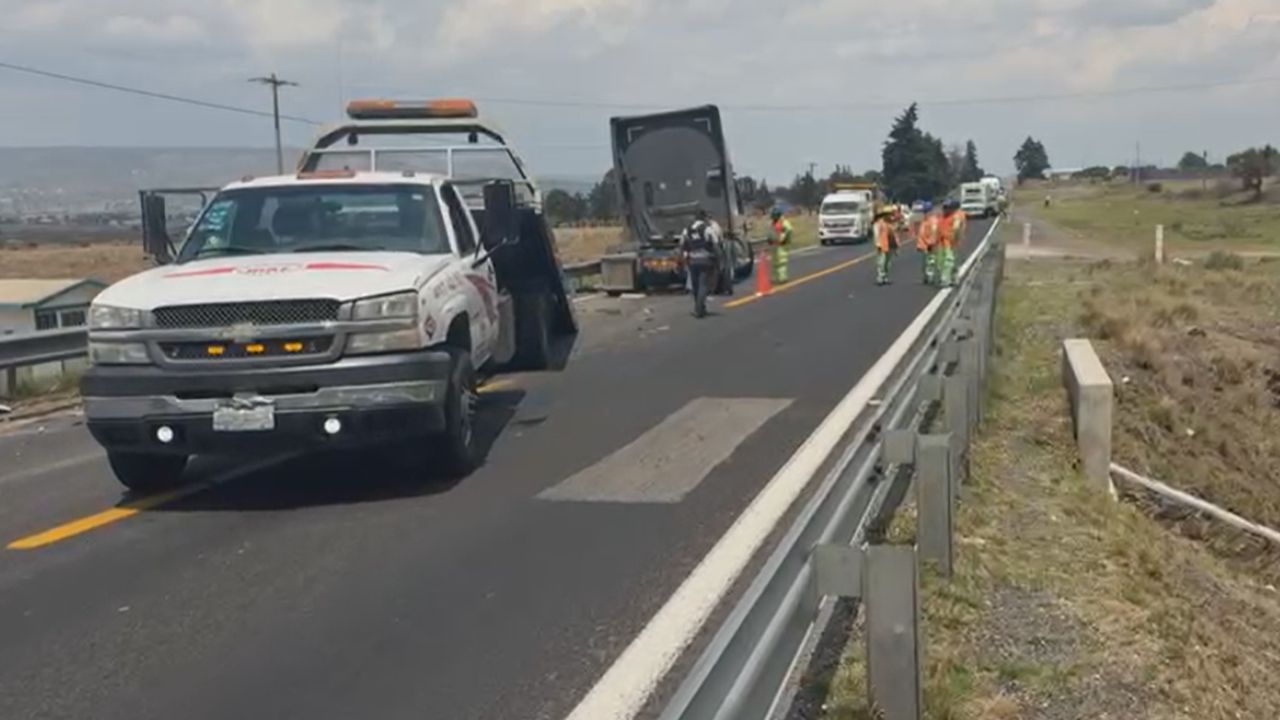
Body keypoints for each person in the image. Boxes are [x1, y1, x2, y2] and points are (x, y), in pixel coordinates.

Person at [680, 215, 719, 317]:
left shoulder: (686, 230)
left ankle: (699, 307)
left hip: (692, 261)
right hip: (705, 260)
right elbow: (715, 243)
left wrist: (685, 259)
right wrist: (717, 259)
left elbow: (683, 245)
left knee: (695, 285)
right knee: (703, 284)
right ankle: (699, 309)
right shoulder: (707, 229)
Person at [937, 199, 962, 287]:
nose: (946, 209)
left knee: (949, 261)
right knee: (942, 262)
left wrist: (954, 239)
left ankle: (946, 279)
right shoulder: (941, 218)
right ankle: (952, 278)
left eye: (948, 207)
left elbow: (956, 229)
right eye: (944, 207)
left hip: (950, 242)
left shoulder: (955, 217)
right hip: (941, 243)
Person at [915, 201, 938, 284]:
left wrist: (931, 243)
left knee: (930, 261)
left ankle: (930, 277)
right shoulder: (925, 220)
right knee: (924, 263)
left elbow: (934, 232)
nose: (925, 213)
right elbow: (921, 234)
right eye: (924, 211)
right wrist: (919, 245)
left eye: (926, 211)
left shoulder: (933, 221)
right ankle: (926, 277)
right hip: (924, 245)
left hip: (929, 245)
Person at [873, 205, 896, 285]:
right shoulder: (879, 223)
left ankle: (885, 276)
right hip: (882, 245)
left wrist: (896, 245)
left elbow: (893, 235)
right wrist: (878, 243)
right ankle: (880, 277)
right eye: (889, 214)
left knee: (888, 263)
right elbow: (876, 234)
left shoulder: (890, 224)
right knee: (881, 262)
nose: (890, 215)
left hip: (889, 245)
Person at [768, 207, 792, 284]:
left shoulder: (783, 222)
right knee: (774, 263)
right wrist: (769, 238)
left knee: (781, 262)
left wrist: (783, 237)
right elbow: (771, 231)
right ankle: (775, 278)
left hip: (781, 245)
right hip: (774, 245)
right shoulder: (774, 222)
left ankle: (782, 278)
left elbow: (789, 229)